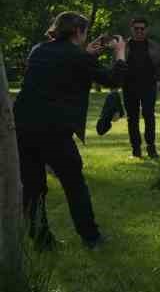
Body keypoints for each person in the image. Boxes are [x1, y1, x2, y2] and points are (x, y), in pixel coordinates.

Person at [14, 13, 126, 248]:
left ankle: (41, 240)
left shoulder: (39, 49)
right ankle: (92, 238)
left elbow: (62, 67)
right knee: (74, 185)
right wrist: (119, 53)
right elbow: (113, 80)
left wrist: (86, 55)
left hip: (23, 126)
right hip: (53, 130)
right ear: (78, 32)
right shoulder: (77, 56)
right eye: (85, 32)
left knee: (33, 187)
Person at [122, 16, 160, 159]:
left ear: (147, 30)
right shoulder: (124, 45)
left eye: (142, 29)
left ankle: (151, 148)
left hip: (149, 86)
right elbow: (116, 66)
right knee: (132, 118)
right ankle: (136, 149)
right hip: (129, 87)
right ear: (131, 29)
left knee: (149, 116)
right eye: (136, 28)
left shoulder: (154, 46)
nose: (139, 31)